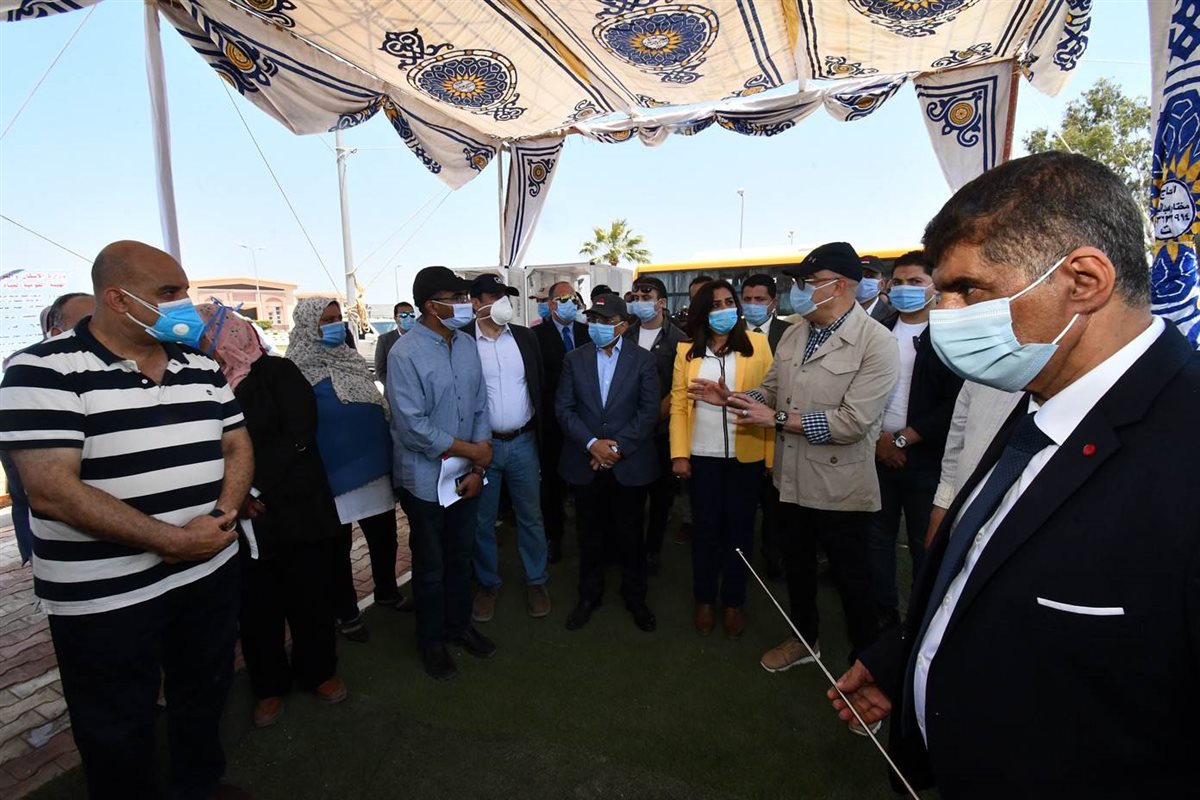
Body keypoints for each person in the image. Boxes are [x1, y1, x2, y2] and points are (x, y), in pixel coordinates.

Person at [829, 153, 1200, 797]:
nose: (943, 314)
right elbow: (987, 563)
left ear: (1083, 281)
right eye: (940, 290)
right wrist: (906, 657)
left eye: (969, 290)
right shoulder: (1041, 394)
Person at [0, 241, 252, 799]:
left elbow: (237, 445)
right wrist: (172, 541)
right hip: (105, 595)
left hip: (207, 569)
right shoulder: (41, 371)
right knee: (116, 723)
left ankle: (197, 786)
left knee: (203, 693)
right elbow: (52, 492)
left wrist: (219, 518)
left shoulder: (200, 365)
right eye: (169, 292)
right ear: (117, 298)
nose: (185, 303)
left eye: (185, 290)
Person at [692, 242, 899, 671]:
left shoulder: (877, 342)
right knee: (798, 569)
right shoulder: (794, 333)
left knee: (853, 580)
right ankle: (805, 639)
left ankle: (866, 667)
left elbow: (853, 422)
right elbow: (770, 391)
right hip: (789, 479)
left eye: (808, 282)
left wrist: (779, 419)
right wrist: (734, 399)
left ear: (838, 286)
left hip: (841, 488)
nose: (798, 290)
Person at [197, 303, 346, 728]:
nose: (198, 343)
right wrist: (233, 496)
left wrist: (252, 487)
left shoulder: (277, 372)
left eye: (203, 334)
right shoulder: (202, 382)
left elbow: (299, 434)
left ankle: (318, 671)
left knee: (310, 595)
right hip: (240, 516)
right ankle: (268, 685)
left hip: (296, 505)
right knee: (257, 607)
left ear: (227, 334)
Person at [388, 266, 496, 680]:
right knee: (430, 565)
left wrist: (478, 463)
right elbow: (413, 428)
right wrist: (473, 451)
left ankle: (458, 626)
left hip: (466, 475)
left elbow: (480, 404)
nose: (466, 304)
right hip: (425, 482)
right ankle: (431, 640)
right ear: (432, 306)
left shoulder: (466, 345)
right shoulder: (404, 353)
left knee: (459, 557)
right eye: (456, 298)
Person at [288, 297, 406, 644]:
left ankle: (387, 591)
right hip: (331, 476)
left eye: (338, 318)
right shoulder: (294, 370)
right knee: (336, 550)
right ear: (308, 325)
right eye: (326, 320)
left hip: (375, 468)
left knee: (384, 537)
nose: (335, 325)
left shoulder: (351, 359)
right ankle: (346, 611)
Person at [670, 280, 773, 637]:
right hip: (703, 456)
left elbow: (772, 398)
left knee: (740, 531)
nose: (725, 309)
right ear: (702, 311)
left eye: (730, 302)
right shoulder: (687, 352)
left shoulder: (758, 345)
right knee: (706, 531)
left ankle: (733, 601)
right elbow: (679, 406)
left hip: (747, 455)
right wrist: (679, 454)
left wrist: (770, 457)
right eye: (716, 305)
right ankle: (704, 599)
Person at [868, 251, 963, 631]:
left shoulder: (951, 334)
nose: (905, 289)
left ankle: (922, 621)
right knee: (878, 539)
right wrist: (879, 441)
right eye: (899, 282)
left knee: (926, 542)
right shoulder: (878, 331)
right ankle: (883, 615)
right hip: (877, 452)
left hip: (926, 459)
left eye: (916, 282)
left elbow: (955, 401)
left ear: (934, 287)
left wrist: (903, 440)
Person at [557, 293, 660, 632]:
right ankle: (589, 596)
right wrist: (592, 445)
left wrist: (615, 448)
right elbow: (564, 409)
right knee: (588, 535)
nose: (598, 326)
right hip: (585, 462)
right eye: (594, 320)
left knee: (631, 536)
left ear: (623, 325)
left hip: (628, 464)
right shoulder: (574, 359)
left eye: (606, 321)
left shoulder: (643, 360)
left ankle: (636, 597)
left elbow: (648, 412)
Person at [465, 275, 551, 622]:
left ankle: (536, 580)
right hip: (482, 448)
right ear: (475, 303)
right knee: (482, 520)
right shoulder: (463, 341)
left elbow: (539, 385)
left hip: (523, 443)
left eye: (505, 295)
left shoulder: (525, 337)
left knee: (531, 516)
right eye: (494, 296)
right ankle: (488, 584)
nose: (503, 302)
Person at [1, 291, 95, 565]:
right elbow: (50, 493)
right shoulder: (28, 365)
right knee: (24, 500)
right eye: (87, 323)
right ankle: (32, 555)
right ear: (55, 331)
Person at [626, 275, 689, 575]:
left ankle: (653, 550)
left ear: (661, 302)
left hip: (663, 432)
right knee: (631, 497)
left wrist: (651, 416)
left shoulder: (680, 340)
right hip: (629, 432)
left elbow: (680, 388)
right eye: (635, 297)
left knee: (661, 498)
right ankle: (631, 550)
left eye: (646, 296)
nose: (639, 302)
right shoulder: (625, 334)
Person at [532, 280, 589, 563]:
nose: (571, 303)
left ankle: (589, 538)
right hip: (552, 423)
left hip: (585, 421)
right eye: (565, 299)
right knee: (551, 485)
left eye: (574, 298)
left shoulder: (587, 332)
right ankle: (554, 537)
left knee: (585, 483)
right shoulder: (535, 336)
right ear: (552, 304)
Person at [740, 274, 792, 580]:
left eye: (760, 300)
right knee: (744, 502)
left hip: (781, 428)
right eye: (747, 299)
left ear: (774, 302)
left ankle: (774, 556)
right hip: (742, 427)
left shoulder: (791, 333)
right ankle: (740, 556)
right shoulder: (730, 333)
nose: (753, 305)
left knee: (775, 504)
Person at [925, 382, 1021, 547]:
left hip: (1009, 531)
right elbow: (956, 444)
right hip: (961, 518)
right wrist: (942, 506)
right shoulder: (980, 376)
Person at [374, 301, 415, 383]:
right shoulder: (384, 340)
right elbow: (380, 370)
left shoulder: (421, 339)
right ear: (396, 319)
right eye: (404, 315)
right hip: (394, 388)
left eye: (411, 315)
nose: (408, 318)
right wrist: (392, 386)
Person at [858, 254, 893, 322]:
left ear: (882, 284)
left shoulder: (891, 316)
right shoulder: (840, 311)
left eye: (869, 276)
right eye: (858, 275)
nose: (862, 280)